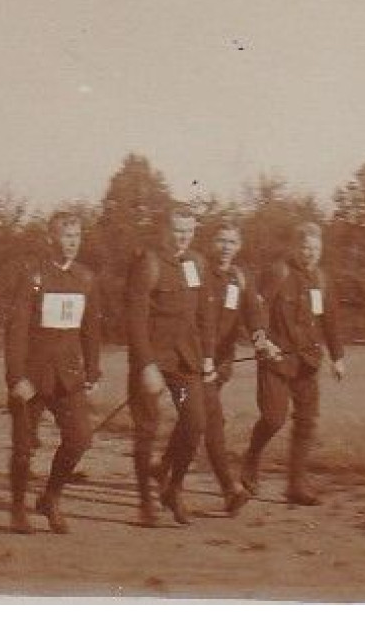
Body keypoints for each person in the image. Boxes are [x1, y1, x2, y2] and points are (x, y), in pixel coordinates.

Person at [4, 211, 101, 534]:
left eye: (76, 236)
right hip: (32, 377)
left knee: (80, 439)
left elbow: (90, 328)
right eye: (66, 236)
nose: (72, 243)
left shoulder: (85, 278)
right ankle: (18, 509)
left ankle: (51, 497)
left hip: (69, 376)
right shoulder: (33, 276)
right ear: (51, 239)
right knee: (23, 447)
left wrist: (93, 369)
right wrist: (16, 377)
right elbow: (16, 329)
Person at [240, 221, 347, 505]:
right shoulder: (278, 272)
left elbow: (330, 320)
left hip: (307, 363)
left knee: (306, 422)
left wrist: (338, 357)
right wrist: (262, 341)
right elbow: (255, 307)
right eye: (305, 247)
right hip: (276, 361)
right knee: (274, 419)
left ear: (321, 249)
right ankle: (251, 458)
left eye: (315, 248)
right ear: (295, 247)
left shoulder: (321, 280)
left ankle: (296, 485)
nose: (310, 253)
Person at [126, 203, 217, 527]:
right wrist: (146, 364)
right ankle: (145, 502)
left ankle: (172, 488)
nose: (183, 238)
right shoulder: (148, 263)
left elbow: (205, 316)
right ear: (165, 229)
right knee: (146, 430)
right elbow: (135, 318)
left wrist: (207, 356)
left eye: (189, 232)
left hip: (185, 359)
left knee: (194, 424)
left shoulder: (198, 264)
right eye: (177, 231)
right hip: (152, 358)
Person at [195, 220, 258, 516]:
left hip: (220, 365)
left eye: (232, 242)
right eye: (221, 240)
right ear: (212, 243)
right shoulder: (199, 274)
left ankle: (164, 469)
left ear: (239, 246)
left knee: (195, 421)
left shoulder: (240, 279)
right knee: (212, 421)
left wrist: (260, 338)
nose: (226, 248)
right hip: (193, 362)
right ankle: (230, 489)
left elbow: (253, 315)